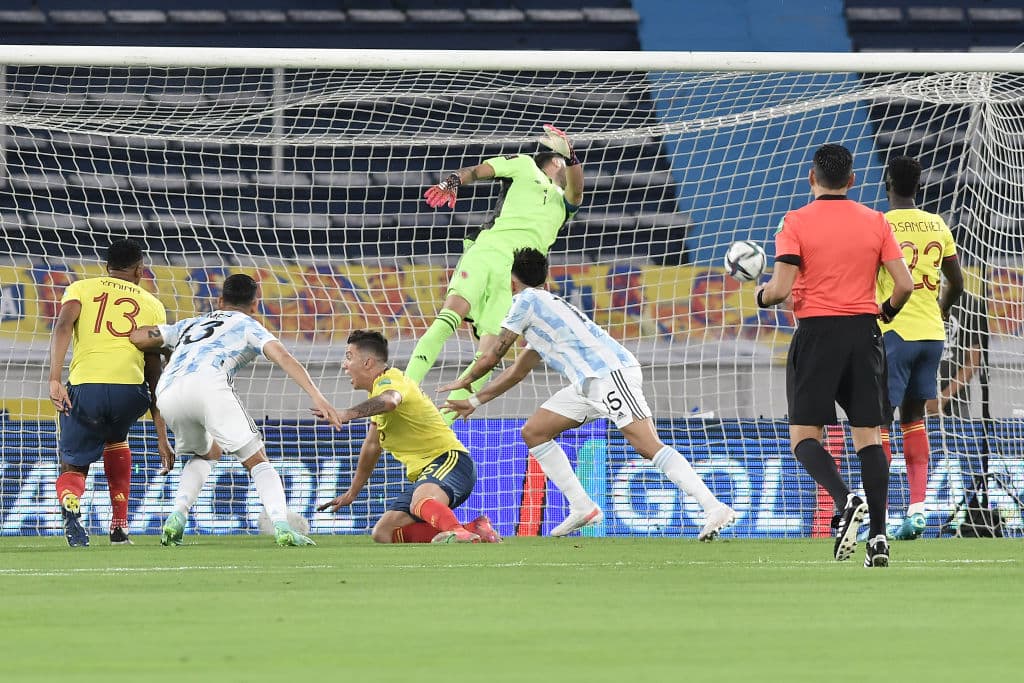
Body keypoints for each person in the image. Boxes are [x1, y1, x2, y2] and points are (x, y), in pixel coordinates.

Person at [441, 248, 737, 540]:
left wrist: (465, 380)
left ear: (512, 281)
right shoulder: (546, 310)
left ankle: (714, 507)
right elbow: (517, 371)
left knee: (648, 445)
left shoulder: (526, 301)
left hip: (609, 375)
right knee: (535, 431)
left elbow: (494, 355)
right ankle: (582, 507)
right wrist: (474, 401)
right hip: (587, 384)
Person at [757, 143, 913, 568]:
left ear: (812, 178)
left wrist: (761, 294)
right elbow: (904, 285)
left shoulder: (795, 222)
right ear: (852, 180)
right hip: (864, 334)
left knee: (805, 437)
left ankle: (845, 502)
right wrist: (883, 315)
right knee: (870, 437)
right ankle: (879, 537)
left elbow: (781, 288)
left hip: (817, 335)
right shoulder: (876, 221)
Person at [130, 273, 343, 547]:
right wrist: (318, 396)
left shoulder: (190, 324)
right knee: (258, 461)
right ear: (255, 305)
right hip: (208, 386)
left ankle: (177, 515)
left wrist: (163, 344)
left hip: (168, 392)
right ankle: (281, 524)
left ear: (219, 301)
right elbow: (283, 357)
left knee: (207, 454)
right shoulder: (248, 325)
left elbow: (138, 337)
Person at [407, 125, 584, 418]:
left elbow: (577, 190)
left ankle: (442, 425)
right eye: (564, 161)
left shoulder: (565, 203)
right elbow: (479, 170)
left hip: (516, 278)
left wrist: (573, 156)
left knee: (489, 352)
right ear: (554, 162)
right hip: (488, 251)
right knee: (448, 318)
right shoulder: (525, 166)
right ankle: (405, 389)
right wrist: (453, 180)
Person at [316, 330, 501, 544]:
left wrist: (346, 414)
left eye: (349, 357)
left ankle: (458, 533)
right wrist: (352, 492)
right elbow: (372, 445)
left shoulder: (390, 381)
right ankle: (475, 529)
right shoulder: (377, 392)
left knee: (419, 501)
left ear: (367, 363)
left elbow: (391, 400)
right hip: (428, 472)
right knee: (384, 532)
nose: (344, 365)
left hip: (449, 461)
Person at [47, 238, 172, 547]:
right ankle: (118, 528)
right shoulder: (153, 304)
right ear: (140, 270)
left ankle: (70, 498)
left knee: (73, 463)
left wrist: (54, 379)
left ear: (106, 267)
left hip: (87, 386)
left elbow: (64, 325)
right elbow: (154, 367)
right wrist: (162, 434)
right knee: (116, 439)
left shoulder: (81, 289)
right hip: (130, 392)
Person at [876, 155, 963, 541]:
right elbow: (957, 283)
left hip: (894, 332)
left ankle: (877, 514)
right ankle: (917, 508)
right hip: (932, 335)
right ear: (918, 185)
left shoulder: (880, 224)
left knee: (877, 421)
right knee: (915, 418)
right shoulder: (937, 224)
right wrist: (938, 312)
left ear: (887, 182)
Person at [928, 293, 988, 419]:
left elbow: (973, 362)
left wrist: (942, 399)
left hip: (957, 399)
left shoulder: (970, 304)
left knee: (960, 436)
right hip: (918, 399)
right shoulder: (916, 298)